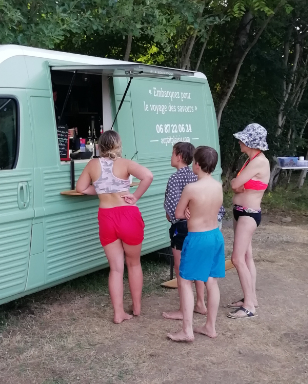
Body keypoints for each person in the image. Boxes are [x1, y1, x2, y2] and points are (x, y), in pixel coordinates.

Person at [76, 130, 154, 323]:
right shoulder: (125, 163)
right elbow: (148, 176)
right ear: (118, 145)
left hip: (106, 217)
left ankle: (118, 313)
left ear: (99, 146)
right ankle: (136, 307)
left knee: (116, 269)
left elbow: (81, 188)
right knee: (134, 263)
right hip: (128, 215)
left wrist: (102, 190)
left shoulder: (93, 164)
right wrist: (135, 197)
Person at [167, 146, 225, 343]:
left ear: (197, 165)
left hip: (197, 238)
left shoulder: (191, 188)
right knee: (212, 281)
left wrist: (187, 212)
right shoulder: (218, 186)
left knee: (185, 281)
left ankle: (187, 330)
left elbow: (177, 213)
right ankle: (210, 326)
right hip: (215, 236)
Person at [227, 123, 270, 319]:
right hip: (241, 212)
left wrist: (237, 186)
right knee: (246, 257)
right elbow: (235, 185)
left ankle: (249, 307)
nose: (239, 141)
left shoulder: (259, 161)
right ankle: (251, 298)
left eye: (242, 139)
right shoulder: (251, 160)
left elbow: (235, 183)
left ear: (251, 142)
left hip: (248, 213)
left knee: (237, 258)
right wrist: (237, 186)